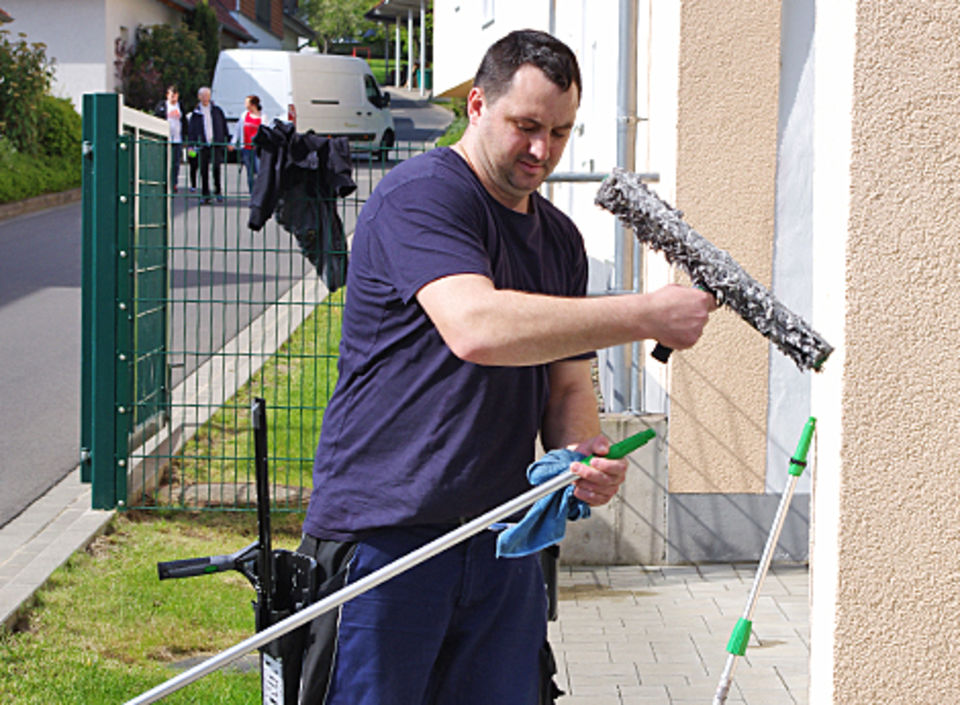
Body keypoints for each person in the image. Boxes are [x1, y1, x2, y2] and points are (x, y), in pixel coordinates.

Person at [296, 29, 716, 705]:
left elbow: (569, 381)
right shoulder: (421, 197)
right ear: (476, 106)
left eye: (560, 131)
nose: (541, 150)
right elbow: (477, 327)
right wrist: (643, 313)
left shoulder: (559, 240)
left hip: (504, 540)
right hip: (388, 537)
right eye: (525, 126)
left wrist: (582, 458)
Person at [187, 86, 228, 203]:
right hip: (202, 145)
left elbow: (223, 126)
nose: (205, 98)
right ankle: (205, 194)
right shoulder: (195, 113)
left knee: (216, 167)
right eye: (203, 95)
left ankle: (218, 191)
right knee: (203, 170)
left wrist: (225, 140)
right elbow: (191, 130)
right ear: (199, 97)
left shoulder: (217, 111)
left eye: (207, 95)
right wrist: (191, 145)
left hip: (215, 143)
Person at [154, 85, 188, 193]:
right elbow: (156, 119)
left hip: (177, 139)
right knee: (165, 162)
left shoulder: (180, 106)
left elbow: (185, 122)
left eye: (175, 96)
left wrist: (185, 137)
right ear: (167, 95)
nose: (174, 98)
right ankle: (164, 182)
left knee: (175, 163)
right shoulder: (162, 106)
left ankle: (174, 183)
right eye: (172, 96)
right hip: (166, 139)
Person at [229, 94, 265, 194]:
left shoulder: (262, 116)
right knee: (250, 173)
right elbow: (237, 129)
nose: (245, 104)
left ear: (253, 104)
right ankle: (252, 193)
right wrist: (233, 142)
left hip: (257, 149)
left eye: (247, 102)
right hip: (246, 147)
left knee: (259, 172)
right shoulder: (244, 115)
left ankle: (260, 193)